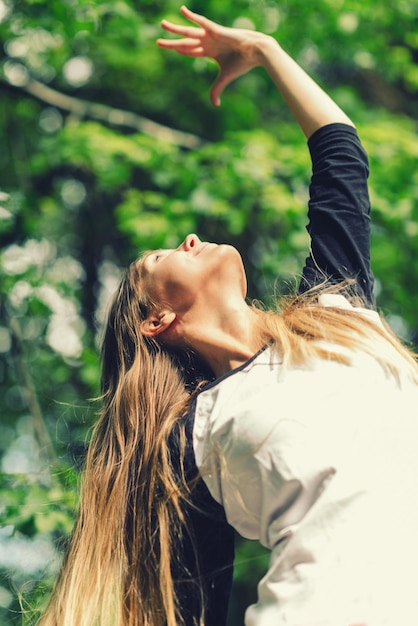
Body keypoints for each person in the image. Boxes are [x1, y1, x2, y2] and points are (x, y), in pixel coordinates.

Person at [39, 6, 418, 626]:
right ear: (156, 320)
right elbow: (188, 605)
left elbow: (341, 157)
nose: (190, 236)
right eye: (164, 254)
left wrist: (266, 50)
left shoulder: (337, 311)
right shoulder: (192, 436)